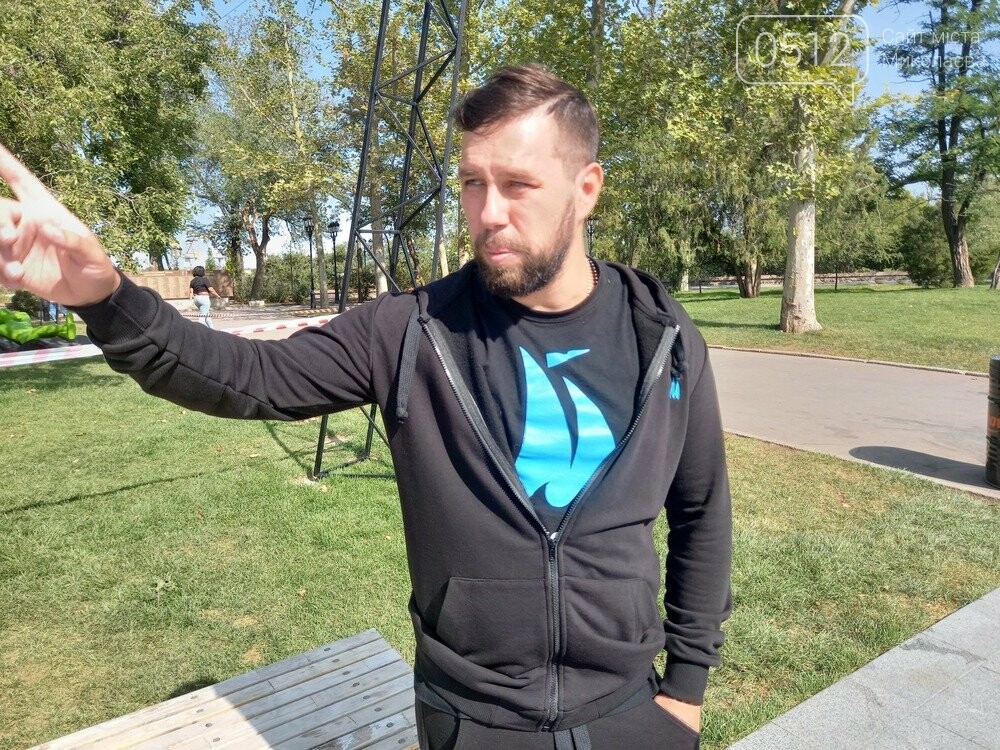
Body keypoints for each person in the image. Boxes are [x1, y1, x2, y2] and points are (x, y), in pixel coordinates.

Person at [0, 65, 732, 749]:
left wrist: (685, 691)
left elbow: (701, 512)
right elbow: (248, 375)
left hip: (632, 710)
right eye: (472, 183)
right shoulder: (413, 330)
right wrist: (106, 297)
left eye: (518, 184)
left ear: (586, 187)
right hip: (473, 719)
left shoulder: (660, 336)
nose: (488, 213)